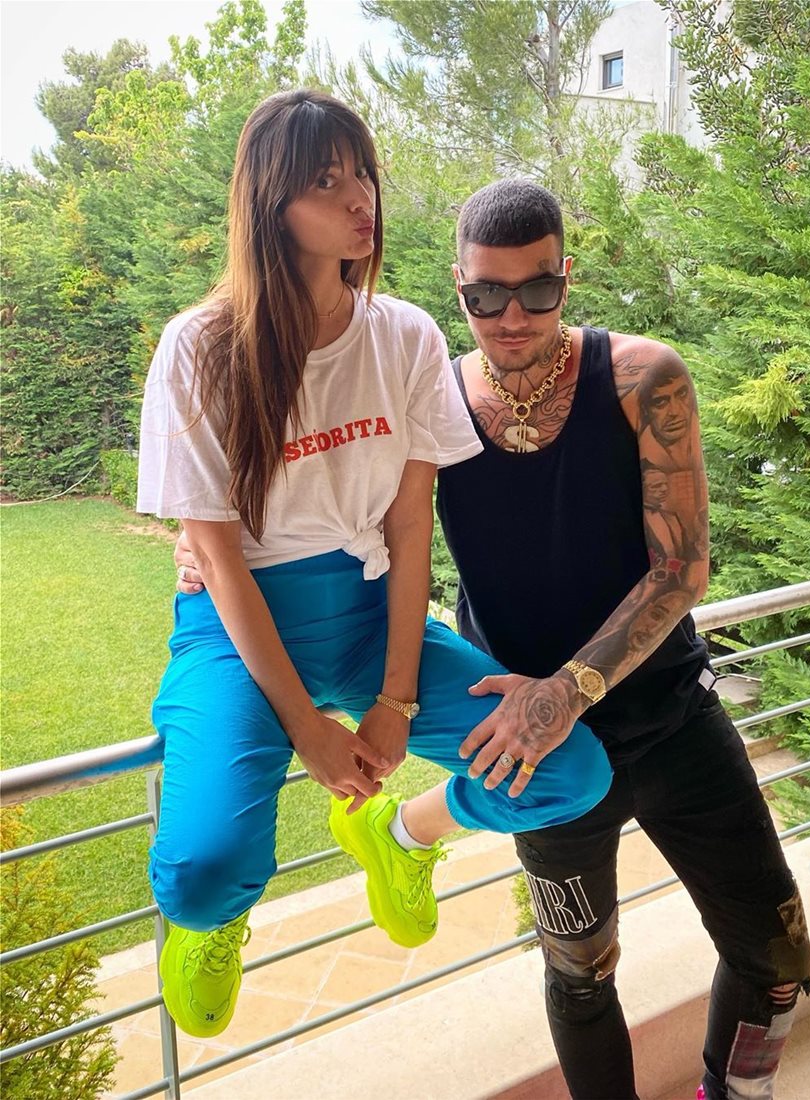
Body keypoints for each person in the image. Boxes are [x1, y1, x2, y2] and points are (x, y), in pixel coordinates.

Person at [173, 174, 810, 1098]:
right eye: (486, 295)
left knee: (778, 958)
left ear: (567, 276)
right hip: (522, 744)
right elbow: (338, 492)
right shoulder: (428, 390)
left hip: (670, 720)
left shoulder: (642, 376)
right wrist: (203, 543)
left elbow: (682, 570)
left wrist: (566, 691)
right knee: (581, 977)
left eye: (539, 289)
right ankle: (404, 834)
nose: (513, 317)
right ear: (459, 286)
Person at [138, 94, 611, 1042]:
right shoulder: (201, 346)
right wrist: (306, 727)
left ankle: (395, 837)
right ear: (271, 203)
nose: (362, 199)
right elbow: (217, 557)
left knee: (569, 773)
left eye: (364, 173)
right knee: (200, 869)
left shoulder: (405, 334)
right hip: (236, 633)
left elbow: (408, 524)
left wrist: (394, 701)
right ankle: (211, 921)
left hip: (366, 617)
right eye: (328, 181)